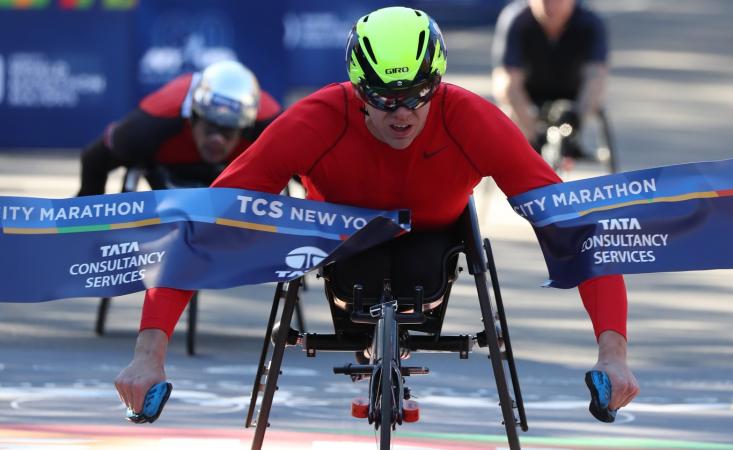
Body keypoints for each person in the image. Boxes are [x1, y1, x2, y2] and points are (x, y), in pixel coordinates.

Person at [115, 6, 639, 419]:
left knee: (416, 271)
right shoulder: (315, 119)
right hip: (339, 243)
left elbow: (574, 227)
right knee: (363, 275)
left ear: (438, 82)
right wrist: (148, 353)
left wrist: (613, 352)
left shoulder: (472, 119)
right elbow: (207, 223)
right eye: (383, 99)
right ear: (356, 89)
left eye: (416, 95)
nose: (402, 114)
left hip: (434, 240)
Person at [77, 60, 281, 196]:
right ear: (192, 117)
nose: (217, 140)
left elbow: (309, 169)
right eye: (210, 126)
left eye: (228, 130)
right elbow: (93, 159)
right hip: (166, 173)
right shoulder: (148, 128)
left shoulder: (272, 129)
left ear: (245, 129)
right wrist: (88, 231)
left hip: (235, 179)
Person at [491, 0, 609, 159]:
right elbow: (507, 79)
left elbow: (596, 77)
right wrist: (532, 132)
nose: (551, 7)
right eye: (544, 1)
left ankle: (570, 140)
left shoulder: (590, 22)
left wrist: (577, 122)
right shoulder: (516, 19)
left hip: (573, 93)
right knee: (506, 92)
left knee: (596, 87)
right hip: (529, 93)